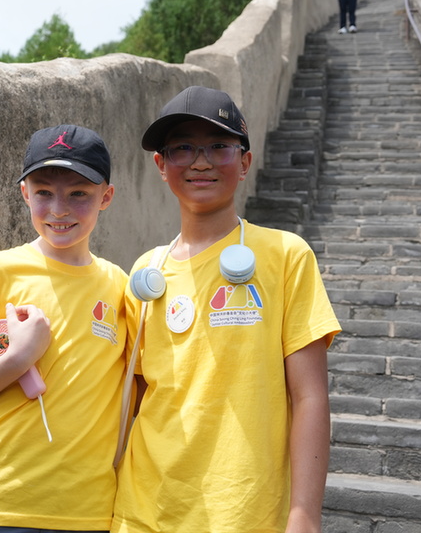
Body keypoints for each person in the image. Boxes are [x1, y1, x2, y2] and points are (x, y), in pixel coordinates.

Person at [111, 86, 341, 533]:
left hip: (245, 511)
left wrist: (304, 514)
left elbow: (310, 396)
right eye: (182, 148)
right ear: (160, 165)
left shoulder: (286, 256)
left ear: (245, 162)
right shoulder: (145, 271)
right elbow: (135, 396)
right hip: (144, 509)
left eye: (219, 146)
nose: (201, 161)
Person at [0, 124, 129, 533]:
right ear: (25, 193)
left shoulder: (120, 287)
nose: (59, 209)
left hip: (86, 512)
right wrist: (19, 358)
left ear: (106, 197)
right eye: (44, 192)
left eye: (79, 193)